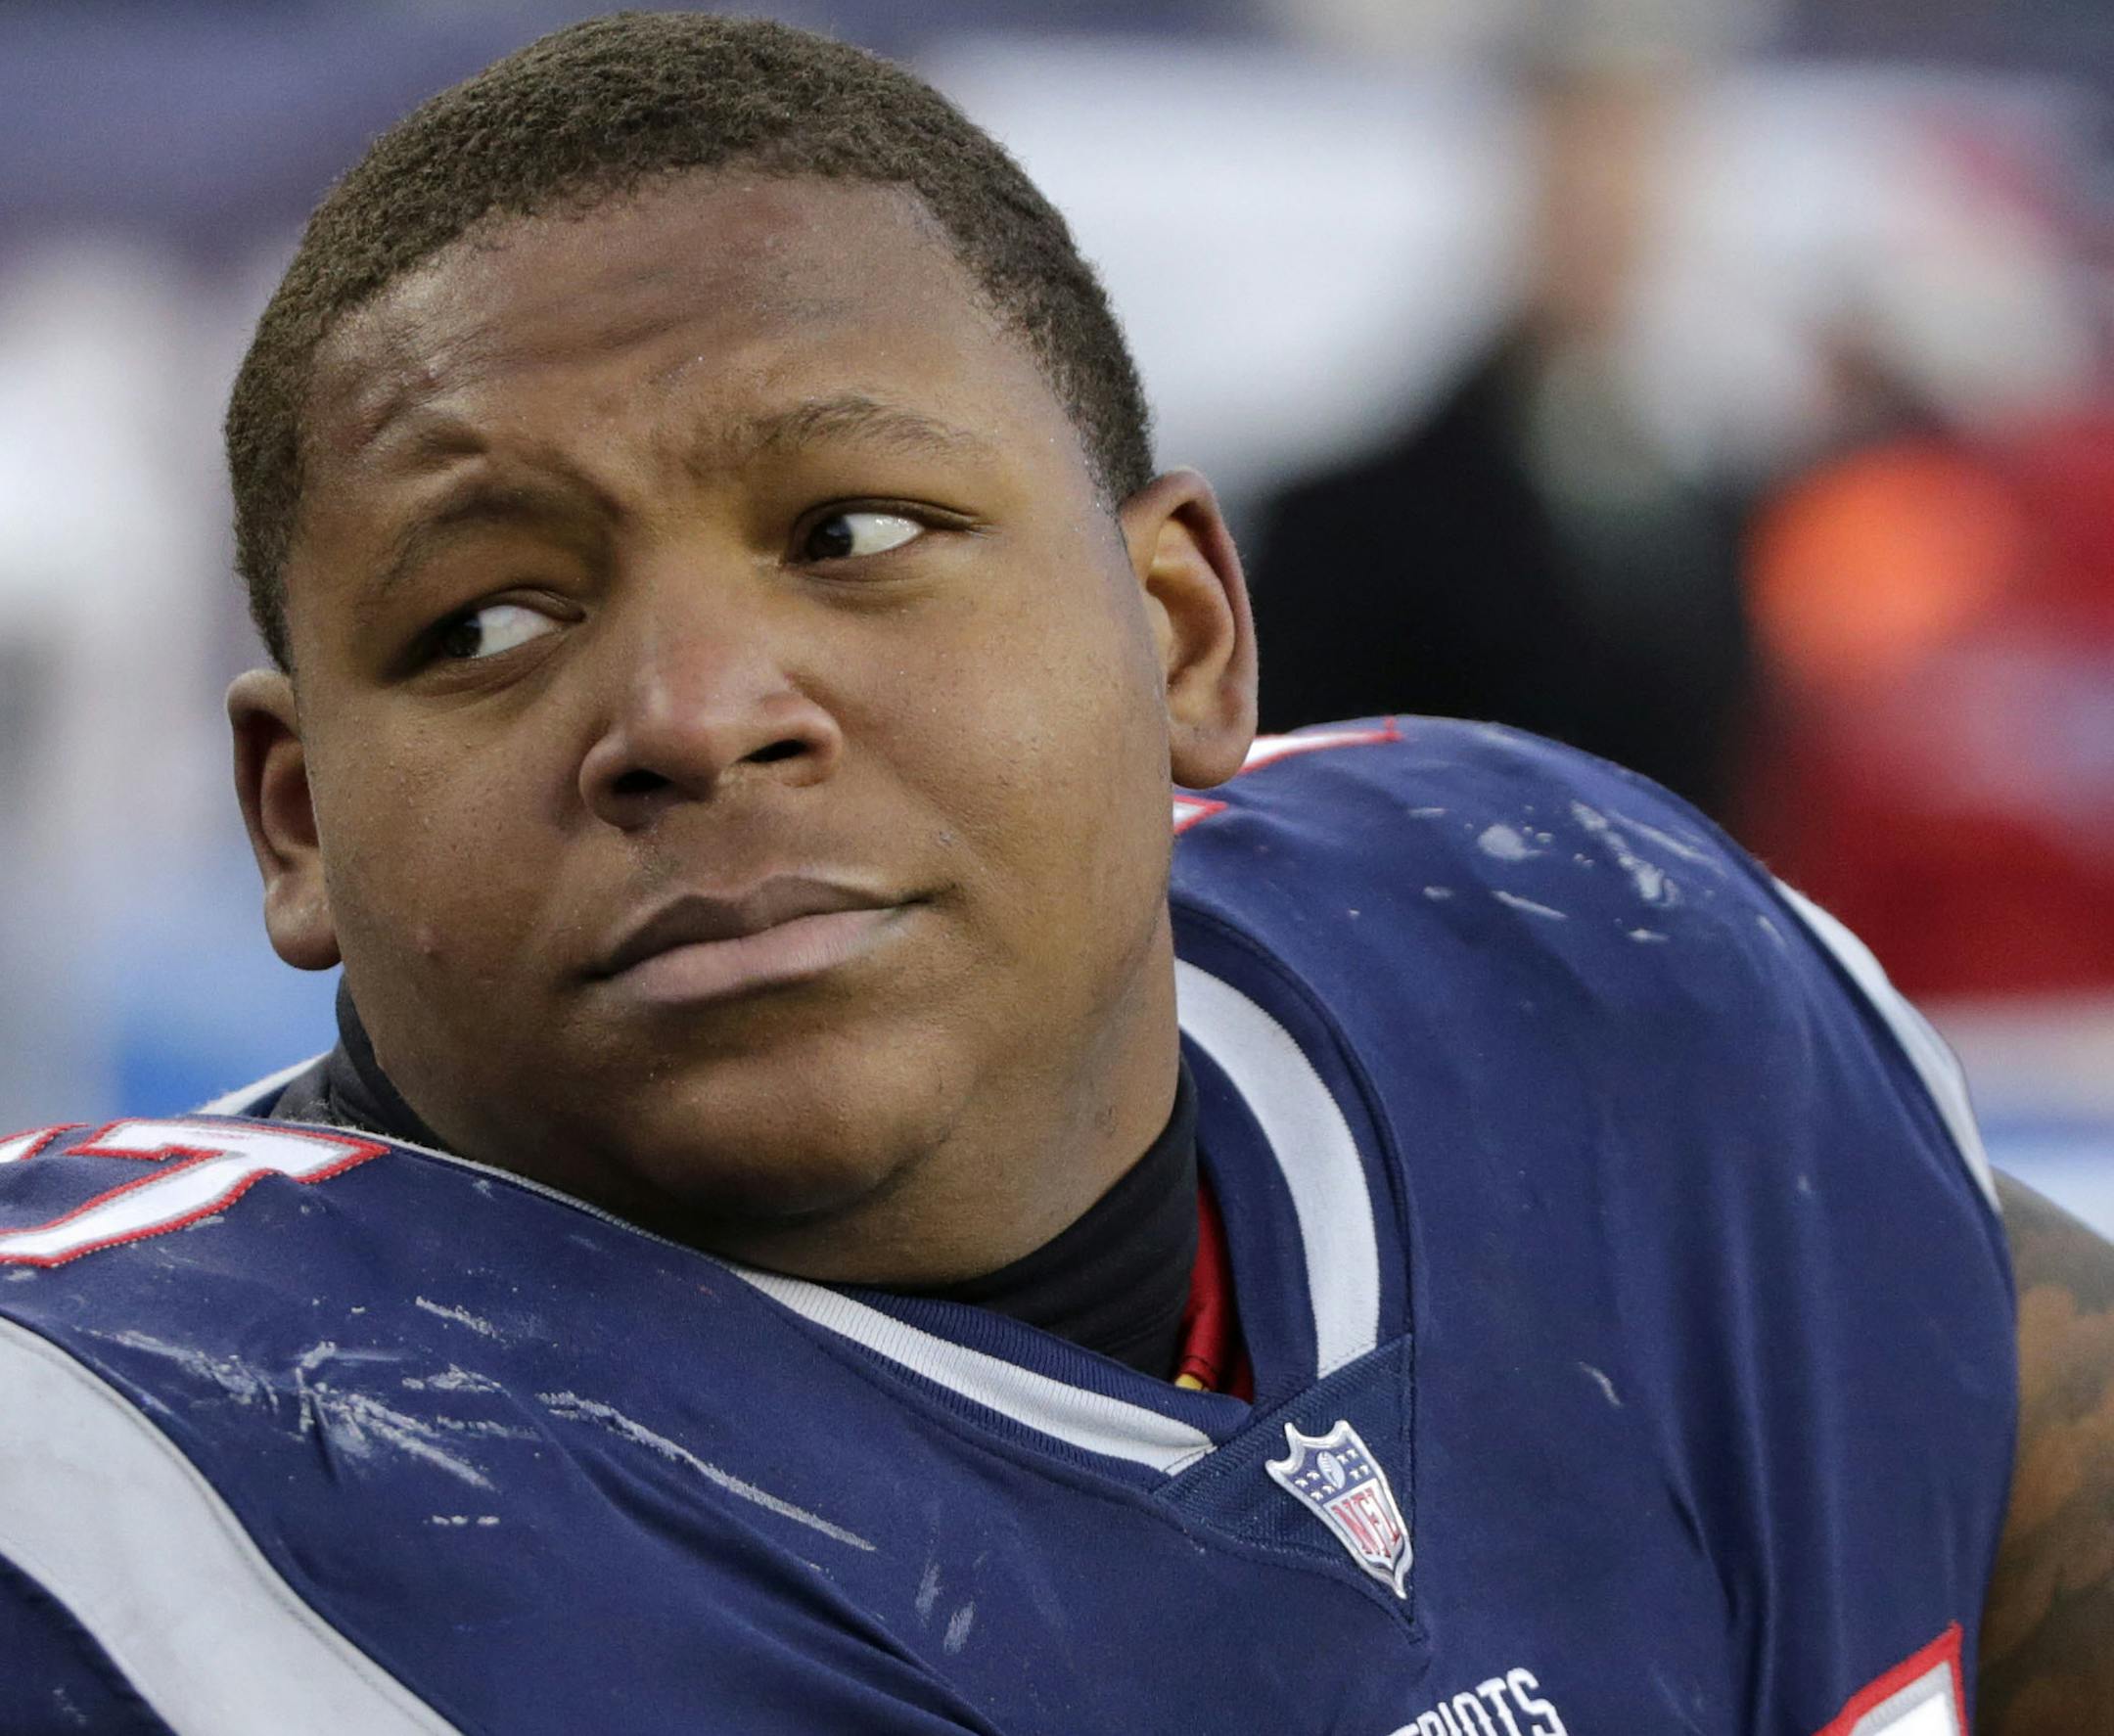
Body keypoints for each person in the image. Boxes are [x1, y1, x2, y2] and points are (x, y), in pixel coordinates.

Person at [0, 16, 2105, 1732]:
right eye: (485, 622)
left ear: (1184, 632)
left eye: (857, 532)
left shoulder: (1576, 955)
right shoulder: (107, 1480)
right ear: (297, 822)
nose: (699, 711)